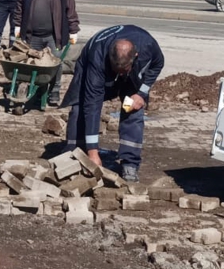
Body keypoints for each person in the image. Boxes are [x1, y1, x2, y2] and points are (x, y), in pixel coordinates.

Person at [60, 24, 164, 183]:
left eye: (123, 69)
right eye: (117, 69)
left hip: (132, 74)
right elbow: (93, 105)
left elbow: (158, 65)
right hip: (94, 66)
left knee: (132, 109)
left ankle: (130, 163)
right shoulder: (98, 57)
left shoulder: (148, 46)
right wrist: (93, 152)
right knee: (80, 105)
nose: (119, 73)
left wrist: (141, 93)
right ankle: (74, 154)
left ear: (136, 56)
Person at [11, 0, 79, 106]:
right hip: (32, 35)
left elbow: (70, 9)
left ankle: (54, 91)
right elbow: (19, 6)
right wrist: (17, 25)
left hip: (53, 36)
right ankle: (35, 91)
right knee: (32, 64)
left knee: (55, 64)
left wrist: (73, 30)